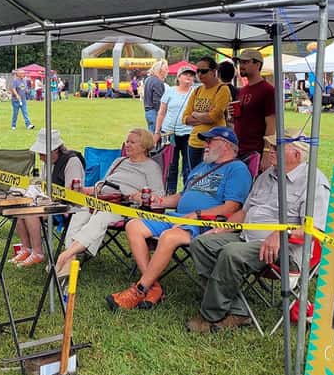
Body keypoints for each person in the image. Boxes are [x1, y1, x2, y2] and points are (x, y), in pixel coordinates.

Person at [184, 129, 330, 333]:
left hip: (285, 251)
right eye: (270, 146)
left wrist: (282, 234)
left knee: (231, 253)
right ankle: (237, 310)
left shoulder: (314, 182)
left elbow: (313, 229)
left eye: (276, 147)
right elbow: (244, 212)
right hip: (246, 238)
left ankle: (210, 316)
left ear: (297, 154)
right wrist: (220, 229)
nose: (270, 150)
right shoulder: (267, 175)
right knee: (201, 244)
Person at [106, 127, 252, 310]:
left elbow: (232, 207)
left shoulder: (237, 169)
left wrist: (197, 214)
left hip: (206, 223)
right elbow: (182, 196)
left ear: (225, 145)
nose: (205, 145)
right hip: (179, 217)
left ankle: (140, 289)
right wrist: (160, 202)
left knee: (169, 236)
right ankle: (154, 287)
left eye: (210, 141)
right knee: (133, 226)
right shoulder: (202, 167)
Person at [55, 128, 164, 280]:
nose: (127, 145)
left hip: (124, 206)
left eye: (132, 142)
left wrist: (140, 197)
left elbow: (159, 197)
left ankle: (65, 256)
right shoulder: (119, 161)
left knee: (100, 218)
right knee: (80, 212)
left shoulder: (151, 167)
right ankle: (70, 261)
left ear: (144, 146)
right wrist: (84, 190)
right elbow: (102, 185)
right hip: (100, 199)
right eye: (127, 141)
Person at [10, 129, 85, 268]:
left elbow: (73, 194)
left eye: (42, 153)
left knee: (31, 212)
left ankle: (38, 253)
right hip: (50, 202)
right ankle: (26, 248)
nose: (40, 157)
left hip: (70, 207)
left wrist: (48, 198)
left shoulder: (72, 162)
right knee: (18, 209)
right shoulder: (48, 162)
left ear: (55, 150)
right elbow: (43, 186)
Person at [182, 56, 230, 169]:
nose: (199, 74)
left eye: (203, 71)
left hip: (214, 143)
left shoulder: (222, 89)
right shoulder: (197, 90)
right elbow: (185, 118)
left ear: (213, 72)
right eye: (197, 71)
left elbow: (214, 117)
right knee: (194, 177)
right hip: (194, 143)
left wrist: (195, 114)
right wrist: (204, 115)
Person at [153, 65, 195, 194]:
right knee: (171, 163)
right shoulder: (170, 91)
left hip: (188, 133)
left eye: (191, 75)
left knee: (188, 163)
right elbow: (161, 113)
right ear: (178, 77)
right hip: (169, 133)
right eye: (185, 74)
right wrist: (157, 132)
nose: (189, 77)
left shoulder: (195, 92)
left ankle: (187, 191)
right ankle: (170, 191)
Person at [233, 49, 276, 162]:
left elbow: (271, 124)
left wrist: (266, 152)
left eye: (245, 62)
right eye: (240, 62)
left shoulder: (268, 90)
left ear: (257, 64)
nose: (241, 66)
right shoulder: (243, 90)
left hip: (255, 151)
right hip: (238, 149)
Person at [142, 59, 168, 132]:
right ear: (160, 70)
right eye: (166, 69)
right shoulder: (158, 82)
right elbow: (157, 101)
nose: (167, 71)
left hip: (148, 111)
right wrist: (163, 114)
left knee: (151, 135)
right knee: (156, 136)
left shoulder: (148, 79)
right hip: (155, 112)